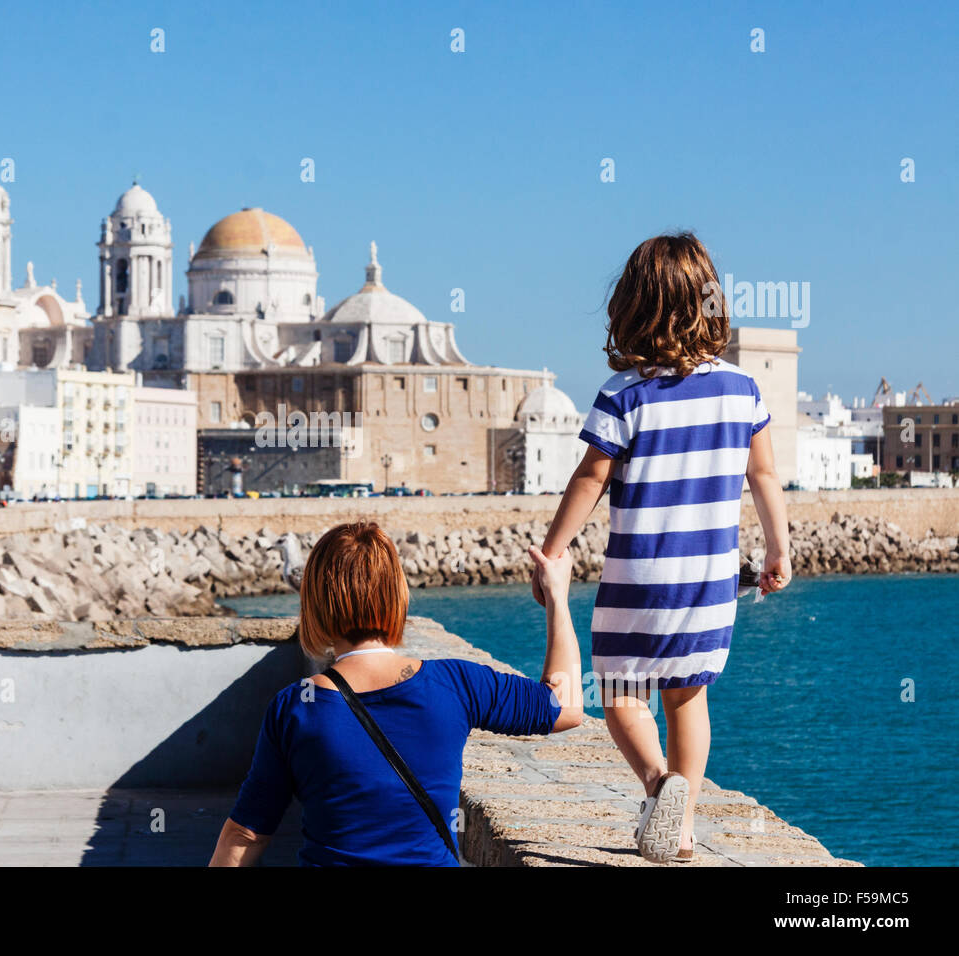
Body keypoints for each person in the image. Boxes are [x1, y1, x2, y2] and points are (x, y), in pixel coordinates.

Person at [533, 233, 791, 863]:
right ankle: (681, 826)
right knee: (688, 697)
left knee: (621, 692)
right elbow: (763, 475)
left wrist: (553, 549)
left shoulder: (624, 394)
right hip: (709, 584)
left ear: (633, 307)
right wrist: (780, 549)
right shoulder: (741, 389)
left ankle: (657, 784)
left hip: (639, 578)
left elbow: (592, 477)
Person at [209, 520, 582, 867]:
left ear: (315, 603)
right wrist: (557, 599)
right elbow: (564, 707)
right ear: (398, 597)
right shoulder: (455, 684)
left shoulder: (296, 707)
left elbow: (247, 833)